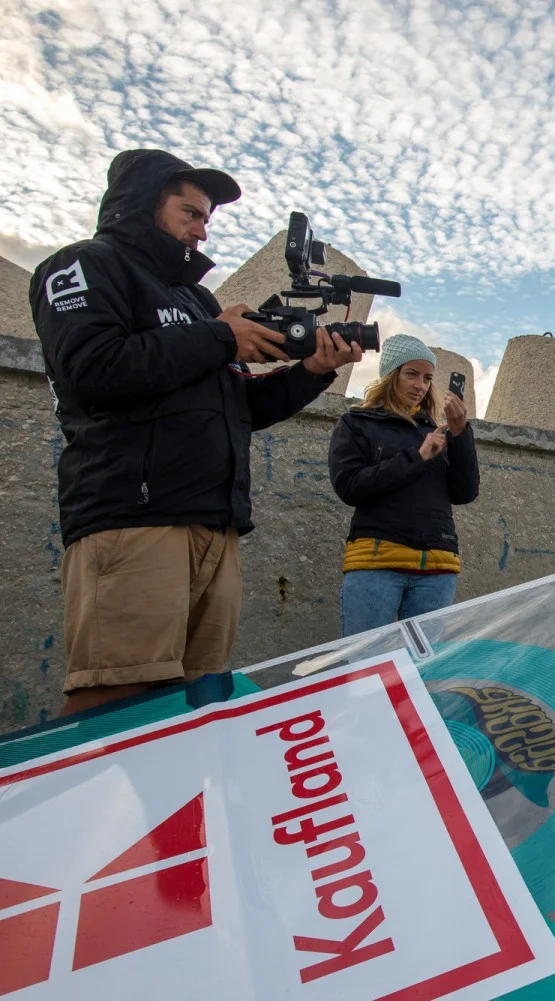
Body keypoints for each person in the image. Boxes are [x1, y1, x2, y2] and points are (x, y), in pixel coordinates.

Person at [30, 149, 359, 716]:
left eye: (207, 219)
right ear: (142, 204)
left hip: (214, 524)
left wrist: (312, 372)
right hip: (135, 520)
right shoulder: (84, 265)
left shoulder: (198, 301)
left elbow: (239, 407)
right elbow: (91, 369)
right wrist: (220, 337)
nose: (202, 230)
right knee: (115, 699)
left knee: (198, 705)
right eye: (190, 213)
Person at [328, 335, 480, 636]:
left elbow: (465, 493)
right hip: (376, 563)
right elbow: (349, 486)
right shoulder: (356, 423)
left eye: (427, 378)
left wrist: (461, 434)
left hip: (437, 567)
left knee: (423, 662)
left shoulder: (436, 430)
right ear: (391, 375)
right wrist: (417, 457)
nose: (420, 385)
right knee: (367, 660)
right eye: (411, 374)